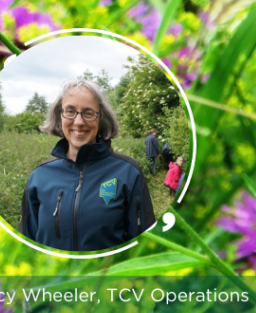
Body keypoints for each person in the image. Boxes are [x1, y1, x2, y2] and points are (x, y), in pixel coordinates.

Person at [20, 79, 156, 252]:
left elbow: (143, 245)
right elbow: (26, 245)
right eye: (70, 111)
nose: (78, 121)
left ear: (101, 119)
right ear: (59, 116)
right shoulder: (40, 176)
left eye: (88, 113)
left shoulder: (127, 172)